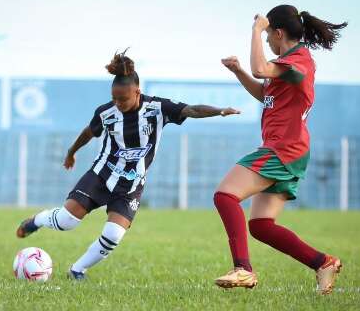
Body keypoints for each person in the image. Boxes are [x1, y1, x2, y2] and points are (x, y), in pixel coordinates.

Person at [16, 49, 240, 280]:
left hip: (131, 184)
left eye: (123, 99)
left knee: (113, 234)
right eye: (114, 98)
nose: (118, 103)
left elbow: (191, 110)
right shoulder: (106, 113)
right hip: (101, 175)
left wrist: (220, 111)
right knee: (66, 221)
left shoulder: (157, 108)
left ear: (137, 92)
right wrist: (71, 153)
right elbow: (88, 132)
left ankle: (77, 270)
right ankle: (36, 221)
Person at [213, 5, 348, 294]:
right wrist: (238, 71)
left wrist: (255, 29)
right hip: (288, 150)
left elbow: (260, 68)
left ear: (278, 32)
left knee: (225, 196)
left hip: (283, 150)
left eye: (267, 37)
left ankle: (243, 269)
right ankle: (323, 262)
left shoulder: (299, 61)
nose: (266, 43)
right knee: (261, 225)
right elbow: (265, 92)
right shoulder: (288, 64)